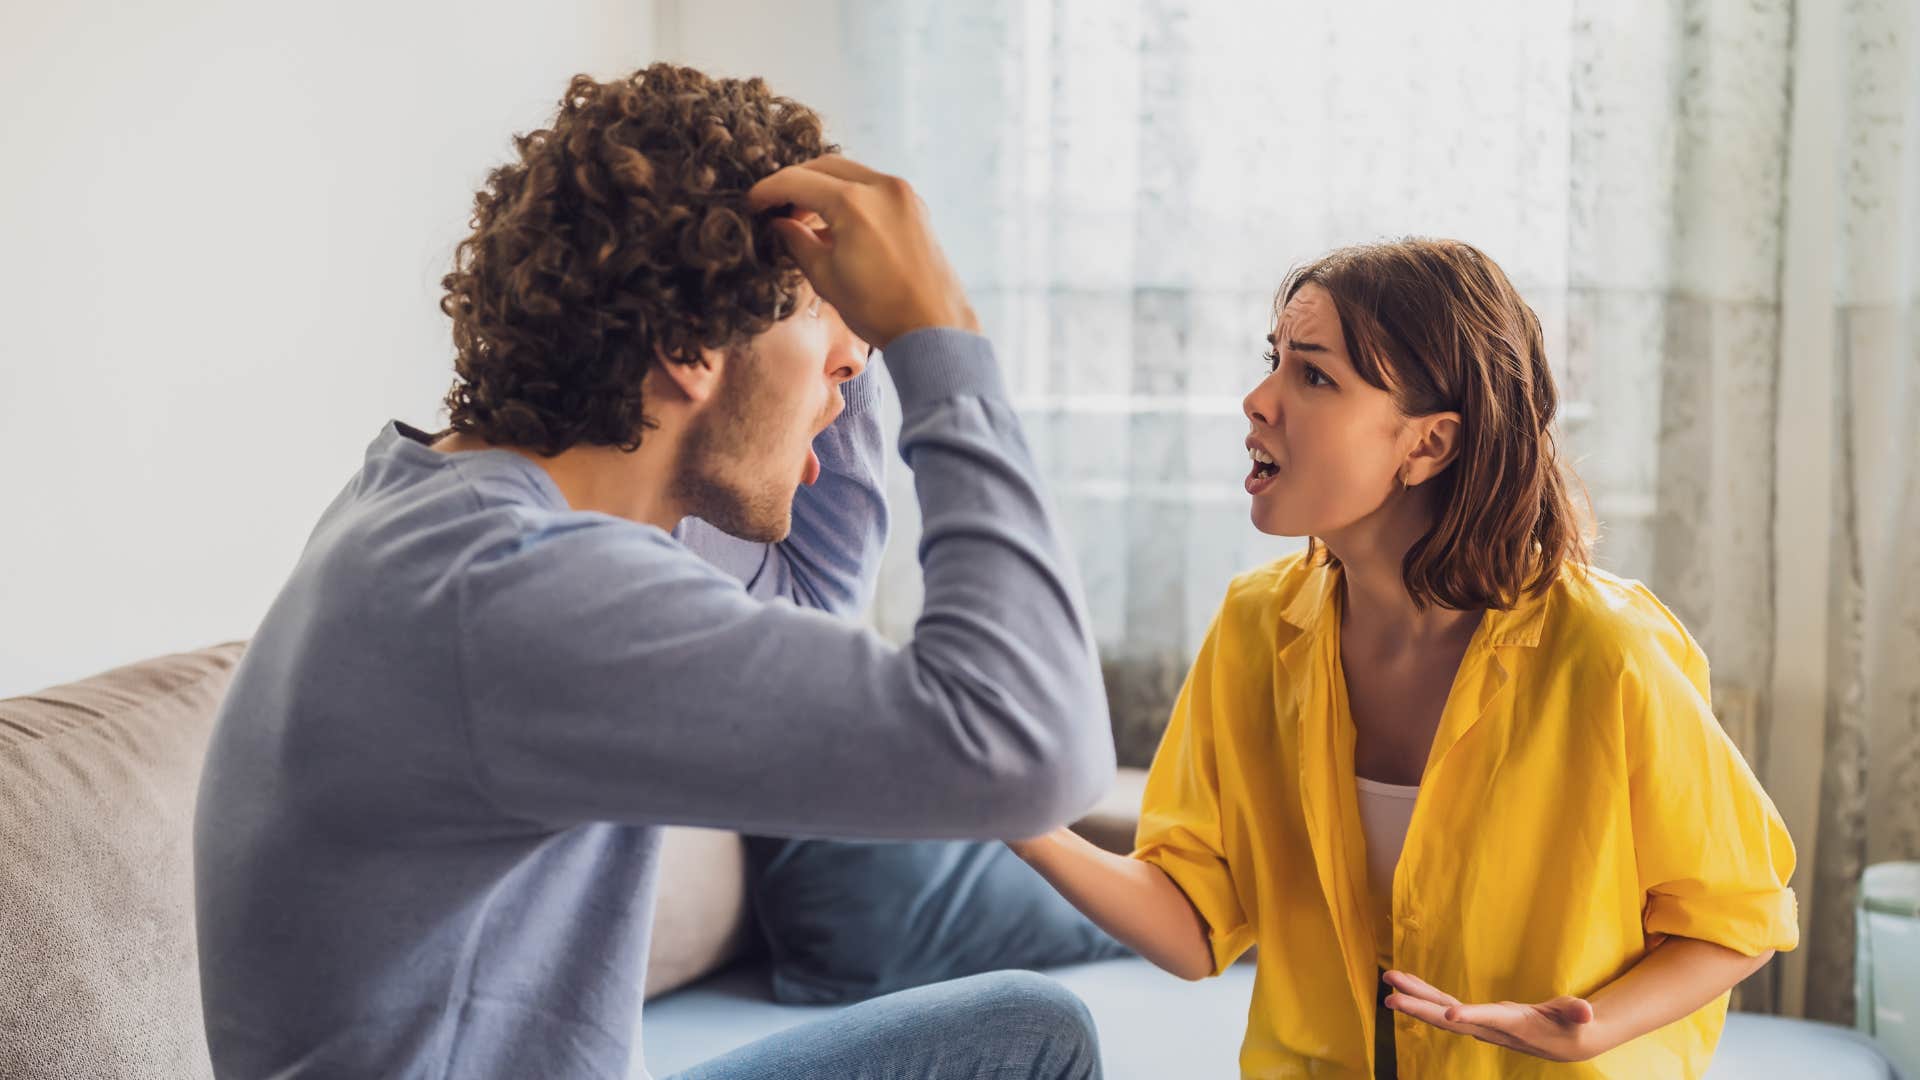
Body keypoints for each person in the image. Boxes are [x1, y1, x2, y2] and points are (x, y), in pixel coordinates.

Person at [194, 64, 1114, 1080]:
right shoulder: (508, 591)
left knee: (1028, 1032)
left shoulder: (458, 509)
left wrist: (840, 328)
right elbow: (1033, 752)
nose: (855, 369)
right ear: (687, 344)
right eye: (831, 335)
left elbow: (809, 599)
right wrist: (936, 335)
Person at [1007, 238, 1798, 1079]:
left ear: (1429, 445)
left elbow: (1736, 920)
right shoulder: (1253, 629)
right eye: (1274, 361)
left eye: (1313, 376)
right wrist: (1016, 822)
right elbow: (1197, 926)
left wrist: (1591, 1027)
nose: (1257, 400)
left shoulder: (1607, 653)